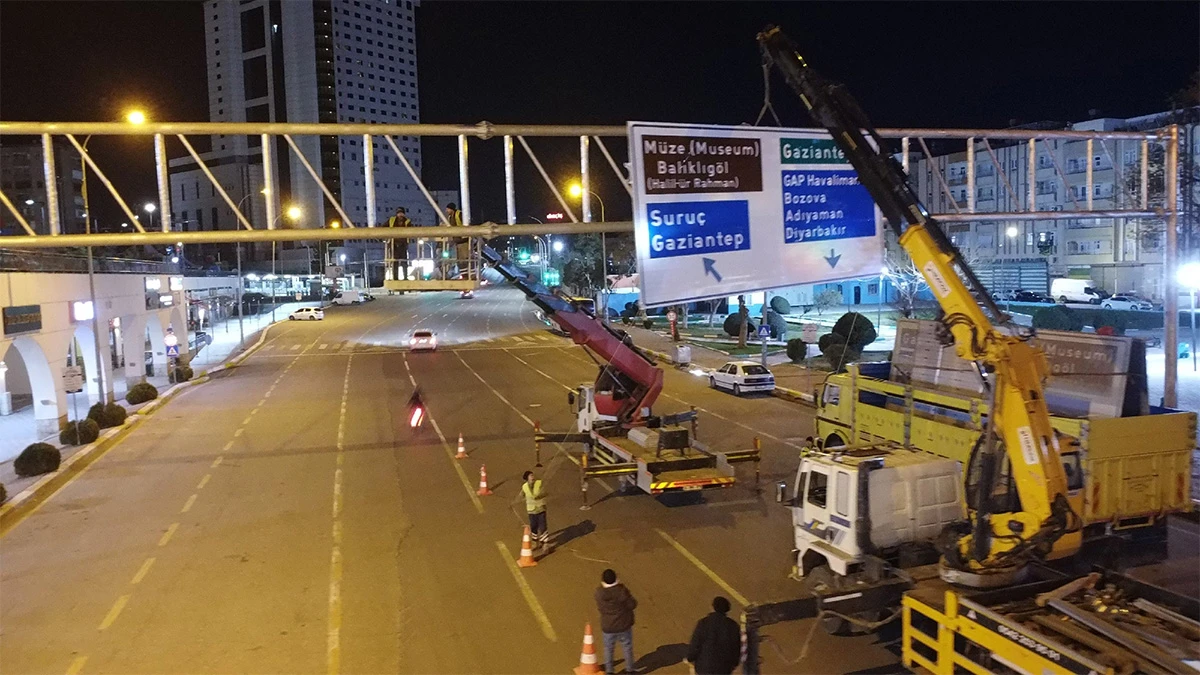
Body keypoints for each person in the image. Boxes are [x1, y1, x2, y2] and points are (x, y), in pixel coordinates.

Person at [594, 568, 640, 675]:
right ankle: (629, 670)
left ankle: (610, 671)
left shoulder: (599, 593)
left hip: (608, 626)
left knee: (608, 649)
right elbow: (632, 604)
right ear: (615, 578)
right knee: (627, 647)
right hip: (624, 625)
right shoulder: (622, 591)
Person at [686, 596, 741, 675]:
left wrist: (690, 658)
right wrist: (734, 663)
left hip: (704, 667)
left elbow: (696, 643)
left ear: (713, 607)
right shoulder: (733, 626)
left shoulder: (704, 622)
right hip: (724, 669)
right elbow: (736, 648)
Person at [520, 470, 548, 546]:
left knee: (543, 526)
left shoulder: (539, 483)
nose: (533, 477)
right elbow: (521, 495)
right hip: (531, 510)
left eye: (532, 475)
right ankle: (535, 540)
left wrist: (540, 496)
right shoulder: (524, 487)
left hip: (540, 509)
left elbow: (546, 492)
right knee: (533, 526)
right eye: (530, 476)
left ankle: (545, 543)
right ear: (527, 478)